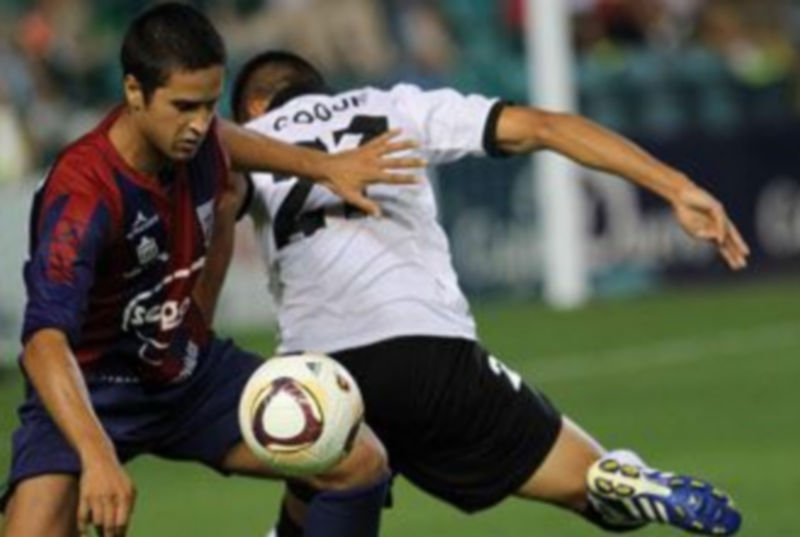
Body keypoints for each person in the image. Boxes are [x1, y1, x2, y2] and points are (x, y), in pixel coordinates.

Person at [228, 50, 750, 537]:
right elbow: (546, 127)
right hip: (428, 351)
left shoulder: (245, 144)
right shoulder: (395, 105)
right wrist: (676, 186)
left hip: (317, 376)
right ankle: (617, 475)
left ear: (253, 106)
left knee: (315, 509)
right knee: (589, 486)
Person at [0, 5, 427, 537]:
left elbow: (227, 138)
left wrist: (325, 167)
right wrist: (97, 454)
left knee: (359, 462)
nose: (199, 124)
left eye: (209, 104)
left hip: (187, 374)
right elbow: (43, 344)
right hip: (91, 392)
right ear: (134, 91)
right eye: (184, 107)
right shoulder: (84, 193)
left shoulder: (201, 140)